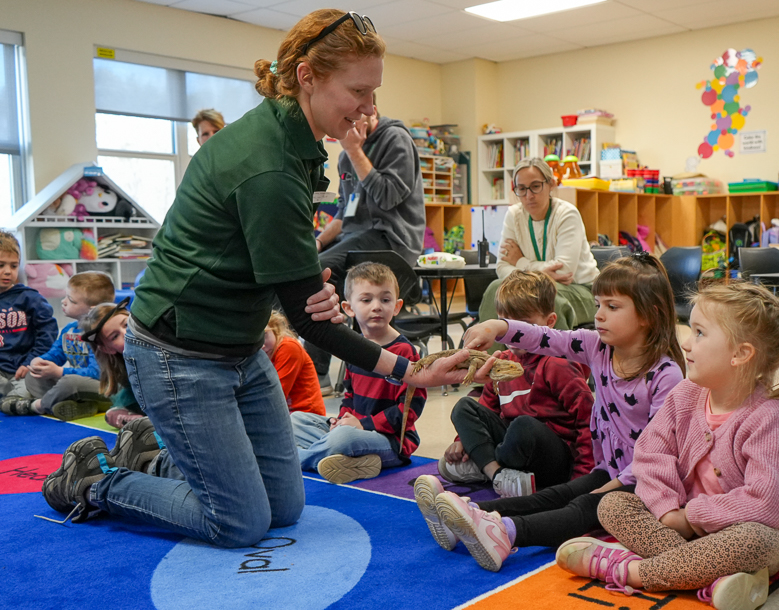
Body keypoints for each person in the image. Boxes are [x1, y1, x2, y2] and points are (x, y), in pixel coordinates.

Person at [40, 9, 489, 546]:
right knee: (239, 522)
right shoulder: (270, 164)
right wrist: (410, 371)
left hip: (240, 345)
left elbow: (277, 265)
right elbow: (310, 321)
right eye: (359, 92)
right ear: (307, 76)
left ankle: (151, 458)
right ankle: (97, 481)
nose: (370, 109)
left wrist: (299, 278)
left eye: (375, 93)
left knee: (284, 506)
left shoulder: (292, 137)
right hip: (179, 353)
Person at [557, 281, 779, 610]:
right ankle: (712, 578)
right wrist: (667, 511)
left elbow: (767, 506)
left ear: (740, 354)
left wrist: (692, 516)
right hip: (678, 527)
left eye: (700, 333)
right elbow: (649, 455)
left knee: (760, 540)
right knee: (613, 503)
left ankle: (630, 571)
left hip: (740, 535)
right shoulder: (685, 395)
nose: (686, 343)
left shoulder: (768, 417)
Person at [415, 254, 685, 572]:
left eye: (612, 307)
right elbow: (545, 337)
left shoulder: (666, 375)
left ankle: (506, 533)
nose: (598, 315)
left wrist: (612, 484)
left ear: (649, 315)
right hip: (612, 470)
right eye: (598, 304)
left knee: (582, 506)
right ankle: (470, 513)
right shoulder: (597, 346)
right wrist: (497, 326)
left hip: (647, 481)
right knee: (558, 494)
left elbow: (655, 454)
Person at [436, 270, 594, 499]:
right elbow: (487, 409)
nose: (516, 336)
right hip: (512, 449)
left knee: (523, 426)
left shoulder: (557, 365)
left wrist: (581, 479)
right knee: (464, 407)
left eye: (525, 327)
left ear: (549, 322)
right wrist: (462, 441)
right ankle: (497, 473)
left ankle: (486, 466)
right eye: (509, 327)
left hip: (552, 458)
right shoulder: (501, 362)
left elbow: (588, 421)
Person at [306, 92, 426, 393]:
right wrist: (319, 243)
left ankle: (317, 372)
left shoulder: (395, 139)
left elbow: (388, 197)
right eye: (350, 118)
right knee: (312, 269)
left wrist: (355, 150)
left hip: (392, 239)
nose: (355, 123)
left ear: (374, 111)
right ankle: (317, 371)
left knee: (320, 272)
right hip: (357, 237)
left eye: (361, 116)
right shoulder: (347, 155)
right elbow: (347, 213)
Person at [291, 262, 425, 484]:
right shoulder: (354, 348)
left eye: (385, 299)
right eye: (366, 299)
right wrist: (340, 419)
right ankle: (348, 461)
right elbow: (349, 396)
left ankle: (298, 459)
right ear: (348, 308)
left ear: (397, 306)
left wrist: (364, 425)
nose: (376, 306)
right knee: (296, 420)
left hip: (391, 442)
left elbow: (409, 411)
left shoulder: (405, 352)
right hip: (354, 428)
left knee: (343, 438)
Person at [478, 157, 599, 348]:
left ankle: (555, 371)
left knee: (550, 299)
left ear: (550, 184)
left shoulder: (567, 213)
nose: (529, 195)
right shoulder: (513, 215)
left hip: (581, 291)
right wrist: (540, 272)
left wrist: (520, 262)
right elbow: (501, 267)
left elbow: (563, 270)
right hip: (535, 289)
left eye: (535, 186)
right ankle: (486, 369)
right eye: (522, 188)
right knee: (497, 288)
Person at [14, 271, 115, 420]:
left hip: (105, 389)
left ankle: (37, 406)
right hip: (77, 386)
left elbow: (96, 373)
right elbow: (56, 353)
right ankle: (79, 406)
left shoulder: (101, 333)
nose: (63, 302)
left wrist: (59, 372)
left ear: (92, 309)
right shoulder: (69, 329)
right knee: (33, 376)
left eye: (71, 300)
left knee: (69, 382)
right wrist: (40, 361)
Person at [0, 230, 58, 409]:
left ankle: (20, 403)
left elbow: (48, 333)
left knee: (27, 390)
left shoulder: (29, 297)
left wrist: (31, 361)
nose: (7, 271)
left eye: (13, 266)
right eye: (1, 265)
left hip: (24, 369)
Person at [78, 299, 146, 429]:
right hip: (148, 408)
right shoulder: (124, 368)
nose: (126, 334)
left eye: (126, 325)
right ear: (107, 348)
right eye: (115, 336)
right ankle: (140, 422)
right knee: (112, 414)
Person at [263, 310, 325, 416]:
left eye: (264, 335)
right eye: (255, 340)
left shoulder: (288, 347)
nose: (262, 345)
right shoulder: (257, 353)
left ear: (274, 328)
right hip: (282, 415)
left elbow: (276, 395)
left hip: (306, 416)